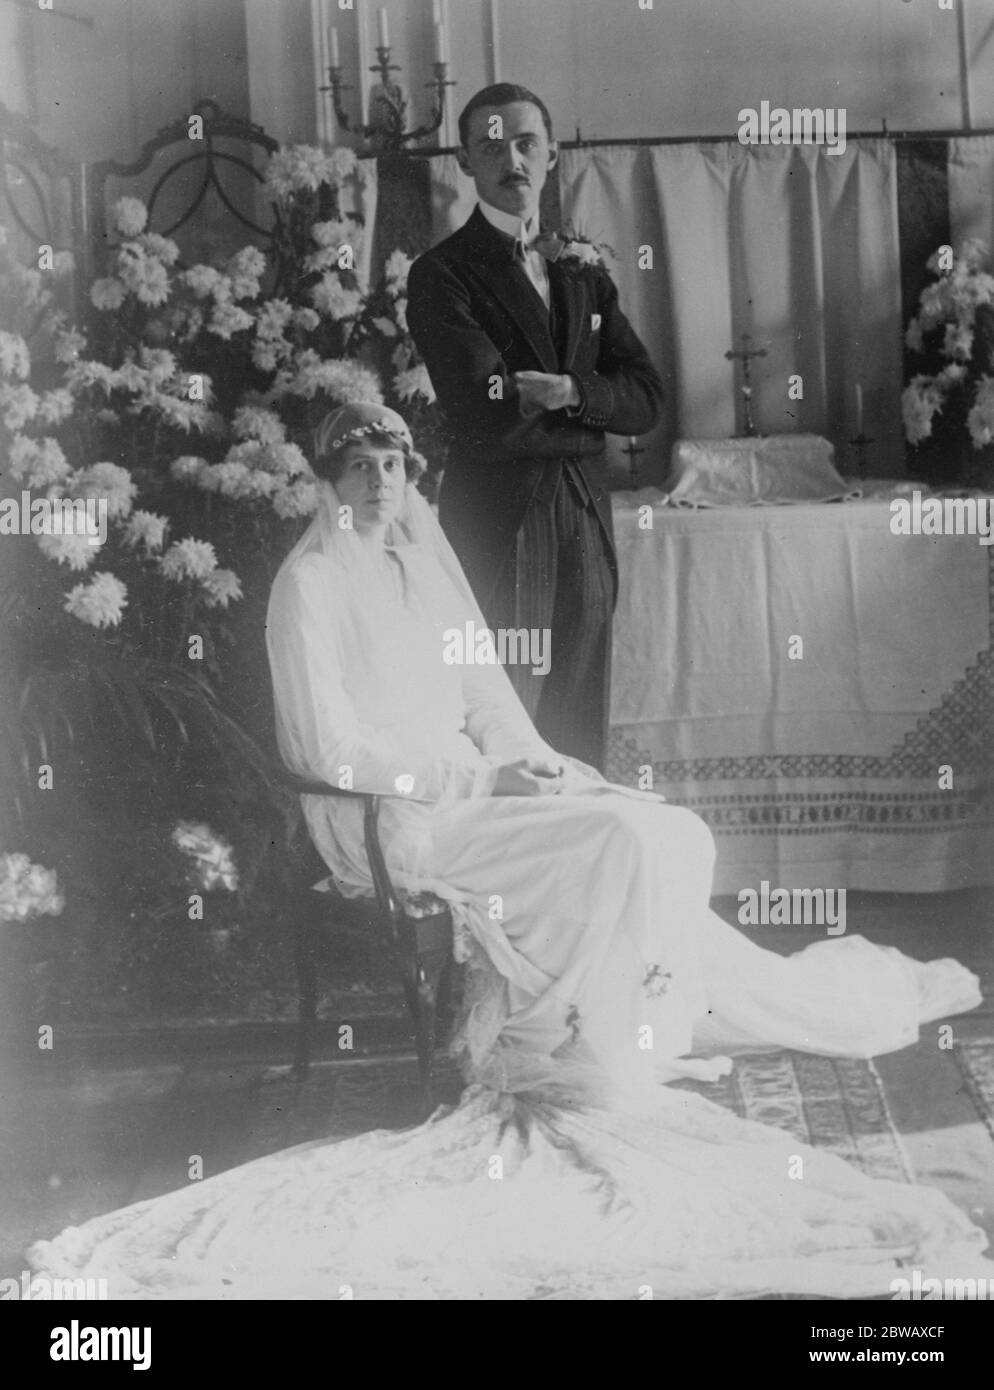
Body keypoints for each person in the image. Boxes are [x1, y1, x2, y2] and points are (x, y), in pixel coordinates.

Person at [27, 405, 990, 1300]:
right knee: (613, 842)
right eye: (357, 469)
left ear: (411, 476)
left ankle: (629, 1028)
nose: (378, 486)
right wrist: (473, 782)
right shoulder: (308, 587)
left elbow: (488, 703)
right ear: (327, 483)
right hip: (390, 821)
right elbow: (327, 752)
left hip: (471, 794)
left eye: (392, 467)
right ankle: (574, 1050)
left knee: (669, 829)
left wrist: (535, 764)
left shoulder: (426, 571)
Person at [408, 83, 664, 772]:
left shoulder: (581, 270)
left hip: (585, 516)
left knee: (578, 728)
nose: (510, 159)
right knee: (503, 732)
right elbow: (481, 411)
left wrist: (572, 392)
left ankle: (575, 874)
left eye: (525, 142)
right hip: (503, 523)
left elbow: (645, 398)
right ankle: (500, 879)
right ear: (466, 162)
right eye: (490, 146)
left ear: (551, 153)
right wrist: (591, 417)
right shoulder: (442, 275)